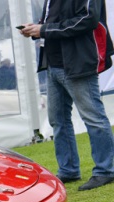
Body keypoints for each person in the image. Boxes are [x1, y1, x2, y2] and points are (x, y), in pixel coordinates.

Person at [21, 0, 114, 190]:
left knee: (93, 118)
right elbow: (53, 21)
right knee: (58, 120)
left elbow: (88, 19)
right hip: (54, 64)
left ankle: (106, 171)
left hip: (78, 63)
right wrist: (35, 29)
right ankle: (68, 170)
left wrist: (44, 29)